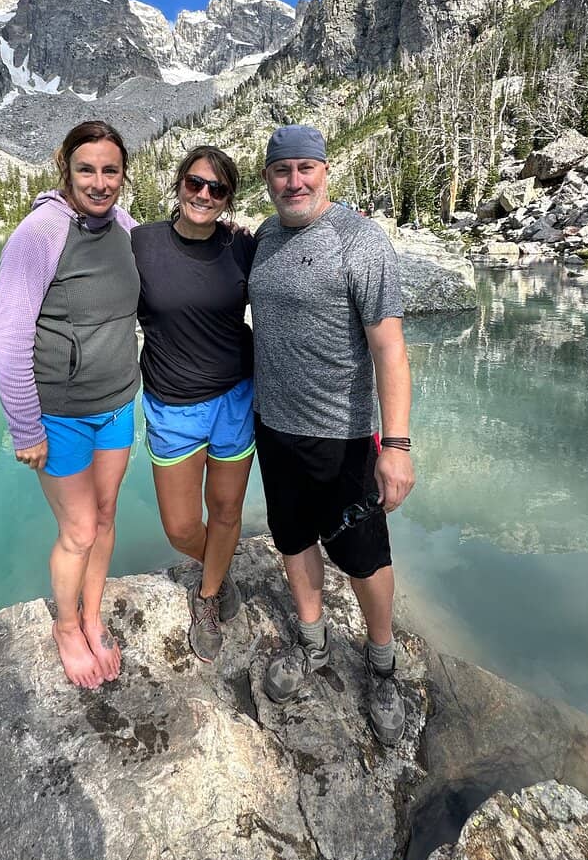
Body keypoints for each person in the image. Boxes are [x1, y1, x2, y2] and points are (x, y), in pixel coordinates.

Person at [248, 124, 415, 744]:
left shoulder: (361, 242)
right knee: (292, 539)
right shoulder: (264, 236)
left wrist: (395, 445)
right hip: (274, 426)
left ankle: (382, 664)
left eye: (305, 169)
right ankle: (314, 643)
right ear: (268, 178)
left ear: (324, 171)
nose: (294, 181)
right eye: (281, 170)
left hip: (343, 436)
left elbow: (390, 348)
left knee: (365, 556)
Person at [0, 120, 140, 690]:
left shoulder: (124, 227)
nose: (100, 183)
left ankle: (94, 614)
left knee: (105, 517)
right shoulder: (41, 231)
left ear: (123, 174)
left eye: (110, 170)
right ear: (66, 169)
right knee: (77, 528)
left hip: (118, 404)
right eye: (87, 170)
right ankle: (66, 626)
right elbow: (7, 337)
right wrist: (25, 427)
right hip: (59, 413)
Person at [131, 146, 257, 662]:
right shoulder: (141, 244)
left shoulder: (242, 246)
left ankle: (208, 595)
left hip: (236, 398)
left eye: (218, 188)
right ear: (179, 183)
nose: (204, 194)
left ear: (228, 199)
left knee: (226, 511)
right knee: (182, 526)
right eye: (196, 183)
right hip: (172, 405)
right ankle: (217, 569)